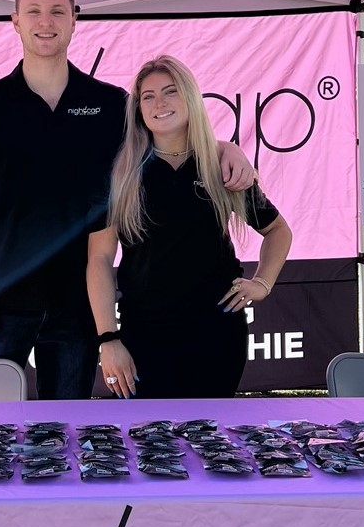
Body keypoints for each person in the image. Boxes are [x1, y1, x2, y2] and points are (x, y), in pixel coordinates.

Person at [0, 0, 255, 400]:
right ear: (15, 21)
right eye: (34, 11)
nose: (46, 21)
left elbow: (170, 137)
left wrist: (223, 148)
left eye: (57, 11)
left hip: (77, 308)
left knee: (65, 431)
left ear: (75, 19)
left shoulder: (111, 106)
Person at [88, 54, 292, 400]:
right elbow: (99, 259)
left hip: (216, 334)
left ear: (190, 97)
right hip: (143, 336)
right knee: (145, 432)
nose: (160, 103)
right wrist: (108, 340)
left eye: (170, 91)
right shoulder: (120, 174)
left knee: (210, 431)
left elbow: (278, 231)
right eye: (148, 96)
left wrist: (263, 282)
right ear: (138, 109)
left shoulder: (221, 166)